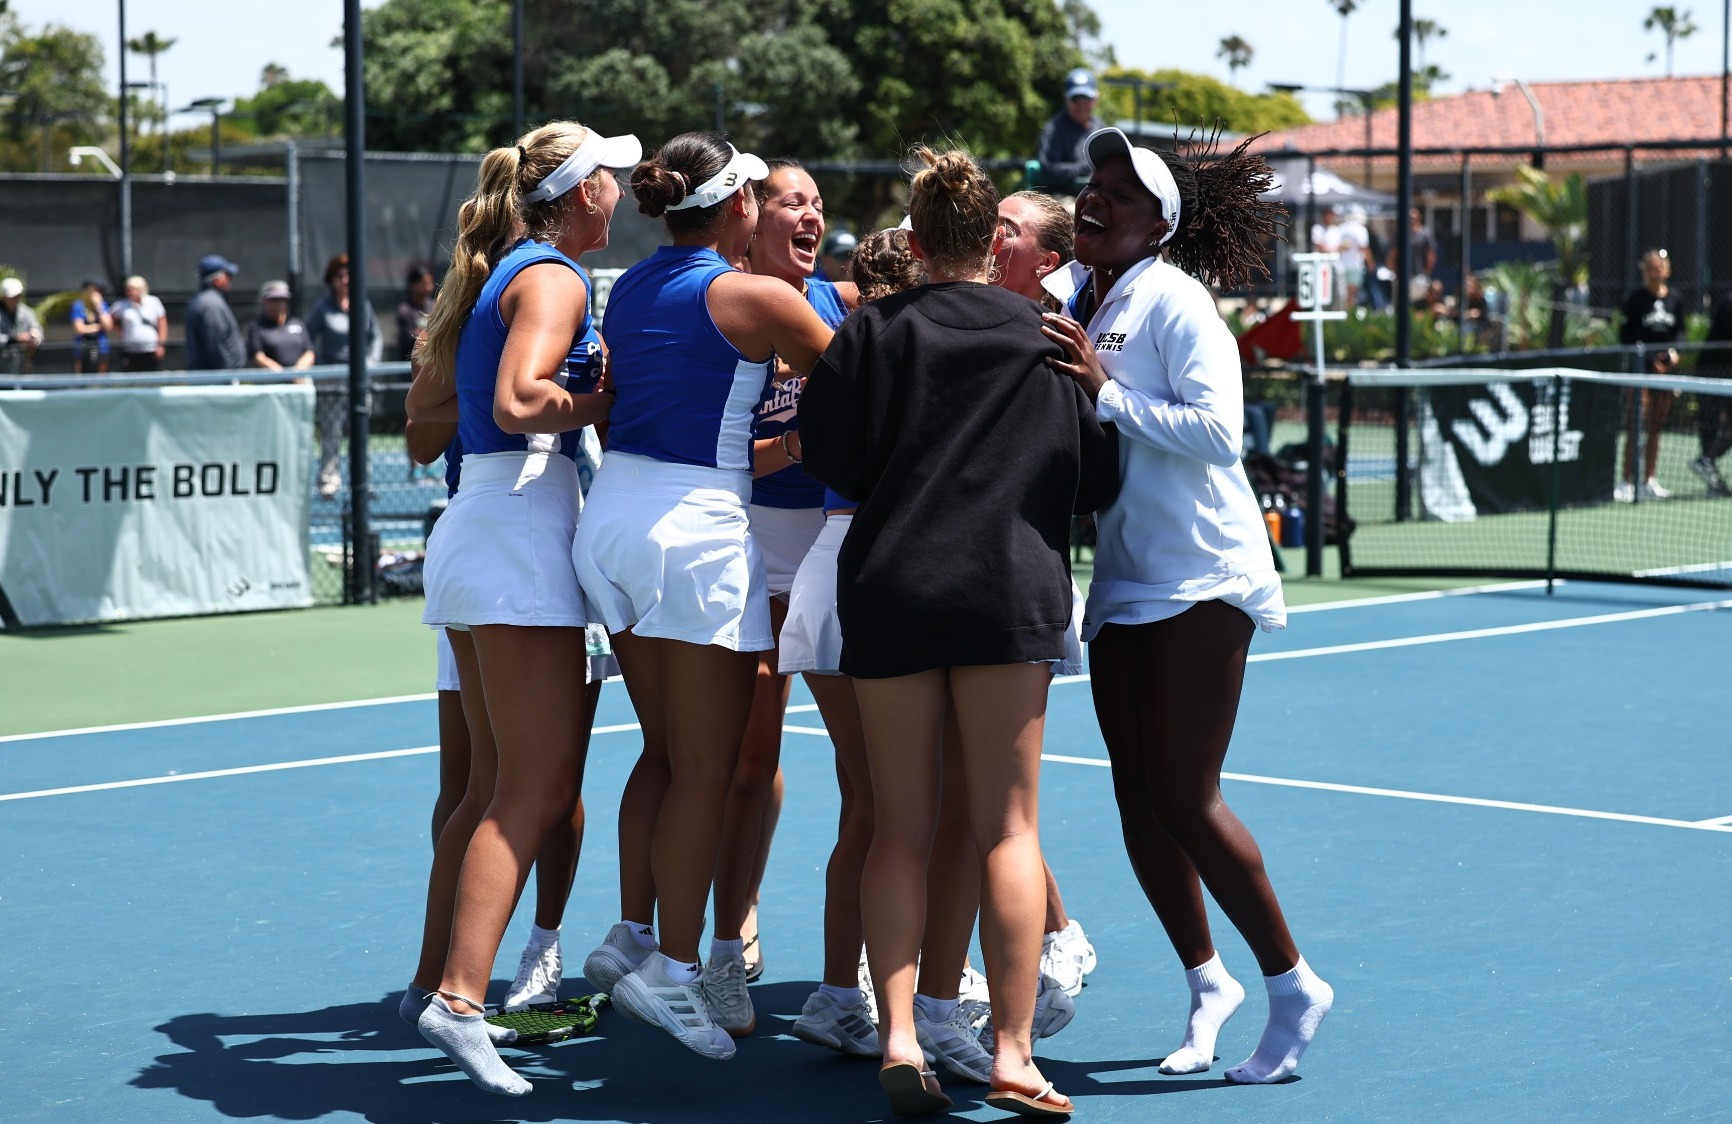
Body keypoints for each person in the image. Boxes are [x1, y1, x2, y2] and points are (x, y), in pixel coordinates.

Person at [800, 144, 1118, 1118]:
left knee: (898, 823)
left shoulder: (873, 331)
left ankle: (898, 1031)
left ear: (917, 237)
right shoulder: (1047, 333)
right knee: (1006, 826)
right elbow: (1094, 481)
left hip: (893, 584)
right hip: (1007, 591)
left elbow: (835, 461)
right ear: (992, 239)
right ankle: (1012, 1051)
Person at [1040, 125, 1335, 1085]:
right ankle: (1208, 982)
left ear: (1159, 223)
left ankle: (1293, 984)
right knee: (1136, 795)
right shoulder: (1085, 295)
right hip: (1125, 576)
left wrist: (1104, 391)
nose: (1097, 199)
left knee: (1186, 794)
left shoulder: (1175, 299)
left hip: (1204, 574)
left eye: (1122, 193)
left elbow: (1221, 432)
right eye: (1094, 183)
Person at [571, 132, 833, 1062]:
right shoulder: (754, 294)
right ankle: (674, 969)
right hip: (695, 528)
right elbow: (864, 383)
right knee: (708, 770)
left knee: (663, 751)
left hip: (611, 520)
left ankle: (635, 935)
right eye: (762, 195)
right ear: (737, 209)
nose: (775, 208)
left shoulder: (632, 283)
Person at [402, 117, 639, 1097]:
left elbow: (454, 410)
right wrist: (603, 402)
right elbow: (517, 399)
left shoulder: (505, 270)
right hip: (514, 535)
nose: (622, 192)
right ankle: (461, 997)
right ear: (582, 191)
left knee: (492, 783)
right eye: (612, 179)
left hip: (480, 529)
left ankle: (431, 981)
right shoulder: (553, 277)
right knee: (531, 790)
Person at [704, 159, 859, 1035]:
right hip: (753, 553)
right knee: (748, 758)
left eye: (818, 206)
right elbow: (725, 447)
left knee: (868, 764)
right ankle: (728, 943)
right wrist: (794, 448)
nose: (811, 217)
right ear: (752, 220)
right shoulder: (730, 307)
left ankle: (879, 960)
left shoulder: (841, 304)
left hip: (835, 556)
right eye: (793, 203)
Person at [991, 188, 1103, 999]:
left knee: (991, 800)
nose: (992, 238)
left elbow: (1090, 475)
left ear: (1048, 261)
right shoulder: (957, 322)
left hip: (1011, 584)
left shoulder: (1051, 345)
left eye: (1008, 229)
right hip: (950, 583)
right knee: (966, 796)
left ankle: (1053, 940)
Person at [308, 253, 384, 497]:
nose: (345, 281)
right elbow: (306, 338)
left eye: (348, 275)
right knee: (331, 433)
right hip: (332, 380)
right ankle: (328, 481)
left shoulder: (362, 305)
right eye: (340, 276)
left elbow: (376, 336)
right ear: (331, 280)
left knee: (360, 433)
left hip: (360, 380)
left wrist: (371, 362)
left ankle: (363, 482)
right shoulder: (323, 308)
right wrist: (320, 366)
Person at [1617, 248, 1684, 503]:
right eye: (1651, 268)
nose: (1656, 273)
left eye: (1660, 268)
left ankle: (1649, 480)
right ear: (1645, 271)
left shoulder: (1675, 299)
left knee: (1656, 426)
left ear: (1667, 271)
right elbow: (1626, 336)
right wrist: (1647, 360)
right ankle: (1626, 481)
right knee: (1637, 422)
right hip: (1641, 371)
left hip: (1666, 374)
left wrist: (1675, 353)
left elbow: (1681, 331)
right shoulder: (1635, 299)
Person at [1691, 291, 1732, 497]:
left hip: (1728, 376)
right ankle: (1709, 470)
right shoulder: (1728, 303)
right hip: (1711, 373)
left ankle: (1707, 460)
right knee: (1709, 425)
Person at [1036, 68, 1102, 193]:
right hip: (1062, 197)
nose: (1081, 104)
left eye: (1086, 98)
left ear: (1095, 99)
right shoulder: (1054, 129)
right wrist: (1085, 168)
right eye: (1076, 98)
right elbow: (1049, 169)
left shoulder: (1100, 127)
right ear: (1066, 98)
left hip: (1097, 195)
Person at [184, 254, 246, 370]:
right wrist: (225, 374)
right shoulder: (211, 304)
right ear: (218, 280)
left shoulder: (203, 300)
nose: (230, 279)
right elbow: (216, 344)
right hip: (216, 380)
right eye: (228, 275)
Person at [246, 280, 315, 372]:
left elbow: (309, 352)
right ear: (264, 301)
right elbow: (258, 356)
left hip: (300, 380)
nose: (279, 303)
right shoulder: (257, 327)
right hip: (272, 382)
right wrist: (281, 373)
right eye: (274, 300)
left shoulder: (298, 324)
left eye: (282, 299)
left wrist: (298, 370)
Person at [109, 276, 169, 372]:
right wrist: (121, 332)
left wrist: (161, 345)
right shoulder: (121, 305)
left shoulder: (153, 302)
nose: (128, 292)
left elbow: (163, 324)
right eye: (127, 289)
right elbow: (109, 320)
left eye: (131, 289)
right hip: (130, 350)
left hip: (151, 349)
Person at [1389, 207, 1437, 306]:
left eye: (1413, 218)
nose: (1411, 220)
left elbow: (1431, 253)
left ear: (1419, 218)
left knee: (1418, 303)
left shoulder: (1426, 234)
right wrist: (1394, 269)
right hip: (1402, 274)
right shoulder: (1401, 233)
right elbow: (1394, 252)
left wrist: (1427, 271)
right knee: (1401, 303)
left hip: (1419, 274)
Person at [0, 277, 43, 375]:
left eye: (17, 296)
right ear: (3, 296)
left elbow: (37, 330)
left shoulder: (27, 312)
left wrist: (34, 338)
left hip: (21, 369)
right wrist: (16, 339)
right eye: (11, 297)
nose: (14, 299)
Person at [70, 278, 114, 375]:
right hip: (82, 346)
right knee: (82, 375)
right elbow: (79, 329)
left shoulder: (103, 306)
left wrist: (99, 306)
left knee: (100, 375)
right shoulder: (78, 305)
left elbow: (108, 326)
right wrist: (98, 327)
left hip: (101, 345)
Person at [398, 264, 437, 362]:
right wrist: (430, 333)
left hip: (432, 363)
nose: (429, 288)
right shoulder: (405, 310)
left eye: (430, 283)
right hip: (411, 365)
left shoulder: (435, 307)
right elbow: (408, 336)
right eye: (424, 284)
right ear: (413, 285)